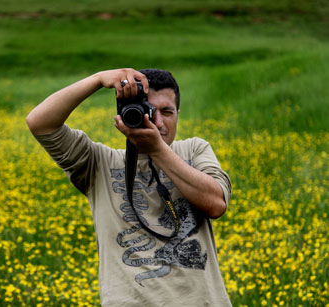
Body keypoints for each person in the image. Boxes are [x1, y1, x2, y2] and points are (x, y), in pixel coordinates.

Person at [26, 68, 232, 306]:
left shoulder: (195, 150)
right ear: (124, 113)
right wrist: (98, 79)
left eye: (168, 111)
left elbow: (216, 203)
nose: (158, 121)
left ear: (178, 114)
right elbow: (39, 123)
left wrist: (157, 150)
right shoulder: (99, 163)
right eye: (149, 111)